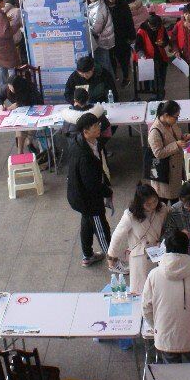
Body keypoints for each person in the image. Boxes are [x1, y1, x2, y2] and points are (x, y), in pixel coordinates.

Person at [142, 231, 190, 363]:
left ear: (165, 249)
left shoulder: (153, 275)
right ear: (188, 249)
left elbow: (146, 308)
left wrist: (157, 327)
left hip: (166, 339)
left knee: (172, 373)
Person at [67, 113, 113, 268]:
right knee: (101, 228)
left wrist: (106, 182)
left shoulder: (92, 142)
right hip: (87, 199)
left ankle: (87, 255)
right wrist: (107, 192)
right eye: (95, 127)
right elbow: (91, 184)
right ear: (85, 131)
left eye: (98, 125)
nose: (99, 128)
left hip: (81, 195)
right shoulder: (83, 155)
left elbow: (99, 168)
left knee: (87, 224)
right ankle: (112, 260)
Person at [108, 184, 169, 295]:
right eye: (148, 204)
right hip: (139, 254)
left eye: (155, 201)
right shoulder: (130, 215)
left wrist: (163, 239)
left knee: (160, 287)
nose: (153, 206)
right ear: (140, 203)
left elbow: (167, 227)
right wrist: (111, 256)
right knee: (140, 290)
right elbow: (117, 235)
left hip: (158, 250)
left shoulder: (162, 209)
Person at [146, 100, 188, 202]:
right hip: (164, 172)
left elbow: (175, 137)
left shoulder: (171, 123)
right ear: (166, 115)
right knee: (163, 202)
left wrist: (184, 137)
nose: (177, 119)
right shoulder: (155, 132)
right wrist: (176, 145)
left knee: (176, 198)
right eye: (175, 117)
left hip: (175, 168)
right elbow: (158, 153)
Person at [134, 8, 171, 97]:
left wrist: (163, 43)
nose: (154, 29)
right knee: (153, 81)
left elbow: (166, 40)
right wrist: (142, 55)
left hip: (161, 58)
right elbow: (138, 47)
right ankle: (155, 95)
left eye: (156, 28)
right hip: (148, 60)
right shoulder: (141, 31)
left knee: (161, 78)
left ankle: (160, 92)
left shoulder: (161, 27)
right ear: (148, 24)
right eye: (153, 27)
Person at [105, 0, 136, 86]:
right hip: (108, 38)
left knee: (123, 59)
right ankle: (114, 76)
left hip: (122, 37)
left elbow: (129, 22)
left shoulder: (123, 5)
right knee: (111, 58)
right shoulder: (104, 6)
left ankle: (126, 77)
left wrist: (131, 36)